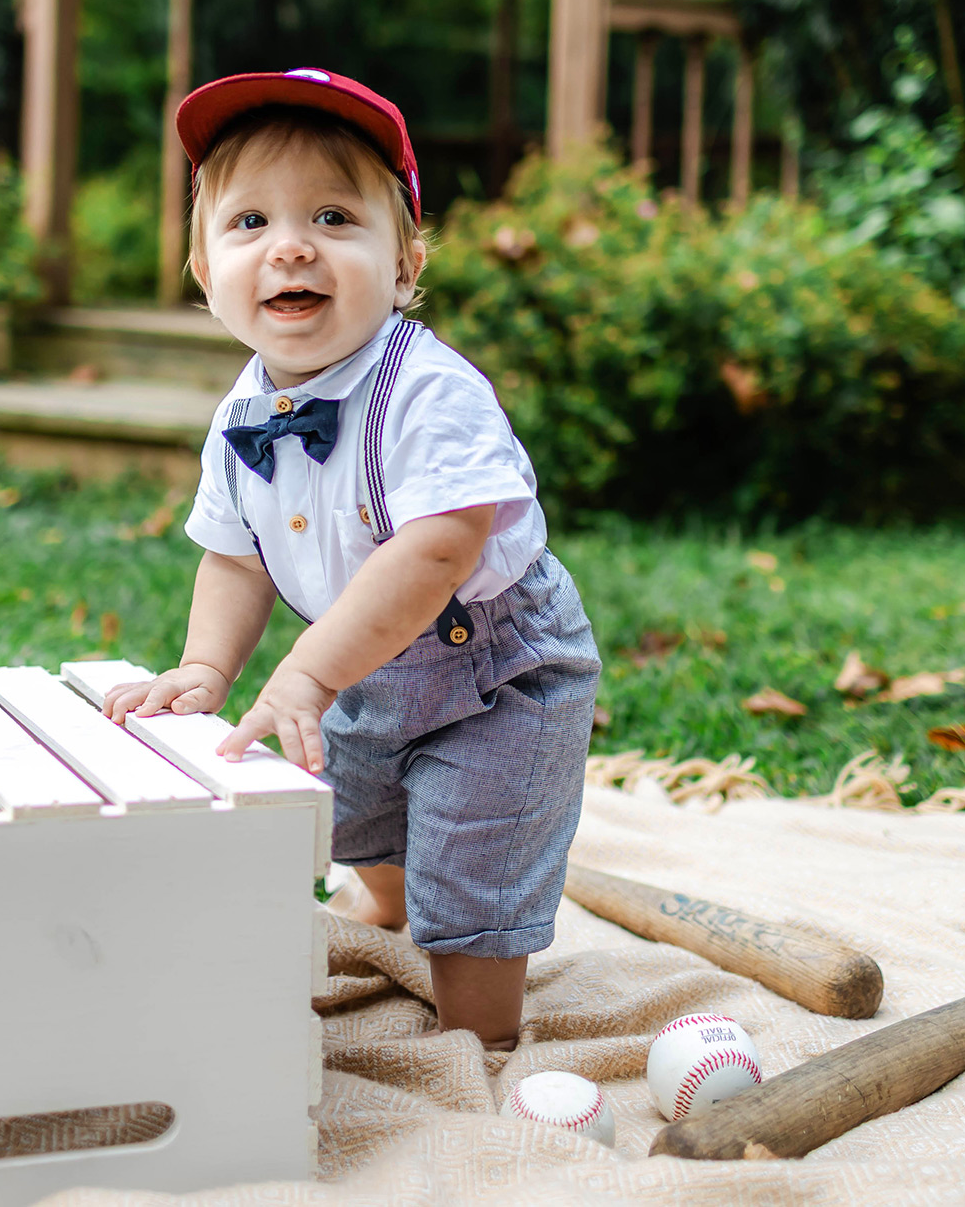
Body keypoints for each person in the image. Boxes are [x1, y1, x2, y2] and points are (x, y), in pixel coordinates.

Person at [101, 69, 600, 1051]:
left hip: (499, 673)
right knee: (344, 802)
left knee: (472, 855)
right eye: (248, 223)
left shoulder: (429, 391)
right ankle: (388, 901)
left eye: (332, 216)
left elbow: (438, 549)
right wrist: (208, 668)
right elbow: (233, 559)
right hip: (359, 661)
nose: (290, 244)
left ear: (405, 264)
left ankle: (477, 1040)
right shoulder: (242, 412)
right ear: (205, 277)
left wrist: (310, 670)